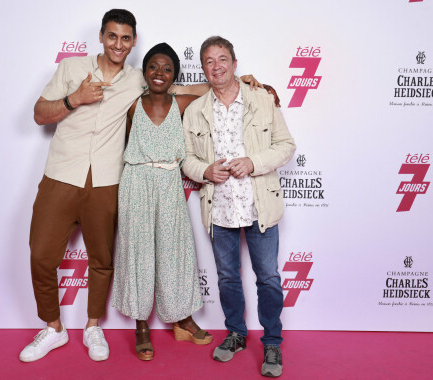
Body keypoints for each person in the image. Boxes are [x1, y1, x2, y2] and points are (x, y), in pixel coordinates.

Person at [21, 9, 262, 363]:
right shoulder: (73, 69)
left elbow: (184, 89)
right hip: (65, 174)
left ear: (133, 42)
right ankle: (54, 328)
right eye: (112, 36)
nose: (118, 43)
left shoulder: (138, 81)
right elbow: (40, 113)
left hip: (109, 181)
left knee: (105, 259)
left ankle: (93, 327)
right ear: (102, 36)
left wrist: (242, 81)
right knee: (43, 255)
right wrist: (76, 98)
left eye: (125, 38)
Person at [182, 36, 296, 377]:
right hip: (220, 209)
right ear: (203, 69)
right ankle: (235, 334)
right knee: (228, 278)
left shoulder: (262, 100)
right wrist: (204, 171)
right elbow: (185, 158)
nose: (216, 66)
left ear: (234, 63)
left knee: (269, 278)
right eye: (209, 61)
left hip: (260, 206)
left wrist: (254, 162)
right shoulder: (195, 110)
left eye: (222, 59)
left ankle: (272, 342)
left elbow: (286, 145)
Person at [111, 43, 213, 361]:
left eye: (167, 68)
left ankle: (181, 319)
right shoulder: (131, 105)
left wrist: (252, 81)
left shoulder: (181, 102)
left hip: (169, 182)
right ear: (145, 71)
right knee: (138, 253)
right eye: (154, 67)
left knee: (174, 251)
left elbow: (214, 87)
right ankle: (142, 326)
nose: (159, 73)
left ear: (174, 76)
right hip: (136, 182)